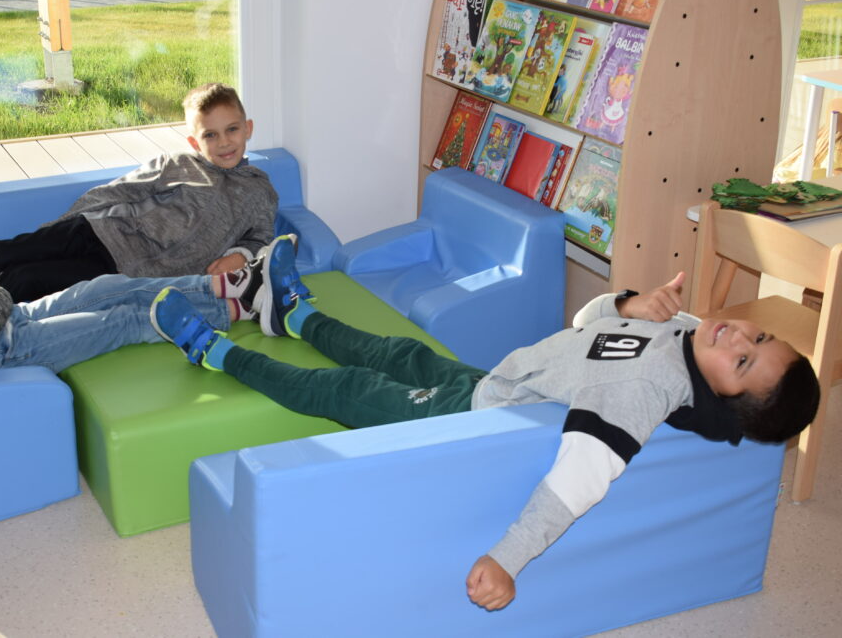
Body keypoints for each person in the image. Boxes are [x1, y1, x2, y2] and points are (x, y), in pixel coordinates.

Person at [150, 235, 820, 612]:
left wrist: (508, 559)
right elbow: (586, 326)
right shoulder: (686, 333)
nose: (739, 336)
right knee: (395, 349)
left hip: (474, 418)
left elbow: (577, 483)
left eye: (743, 361)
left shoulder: (644, 393)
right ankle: (293, 312)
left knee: (347, 390)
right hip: (494, 380)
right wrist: (628, 305)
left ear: (725, 398)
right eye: (759, 337)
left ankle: (213, 351)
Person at [0, 138, 265, 375]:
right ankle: (238, 308)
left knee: (108, 288)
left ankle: (222, 285)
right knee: (121, 320)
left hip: (2, 324)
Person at [0, 82, 278, 302]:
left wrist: (241, 255)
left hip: (124, 272)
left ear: (247, 128)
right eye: (210, 135)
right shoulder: (179, 164)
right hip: (99, 230)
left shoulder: (259, 191)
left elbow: (261, 237)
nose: (224, 142)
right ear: (194, 142)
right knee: (11, 250)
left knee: (28, 279)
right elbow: (119, 191)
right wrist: (65, 223)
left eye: (232, 130)